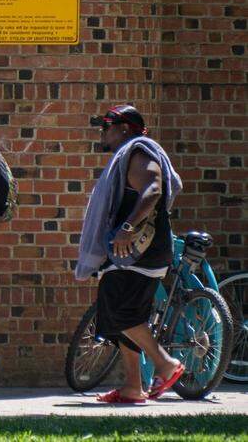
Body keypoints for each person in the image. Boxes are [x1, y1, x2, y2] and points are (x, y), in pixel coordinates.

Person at [75, 105, 184, 404]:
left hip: (138, 252)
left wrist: (126, 227)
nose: (103, 131)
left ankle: (165, 364)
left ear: (124, 129)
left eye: (107, 125)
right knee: (126, 317)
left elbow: (153, 189)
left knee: (118, 313)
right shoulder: (127, 156)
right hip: (130, 253)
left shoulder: (138, 152)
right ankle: (133, 387)